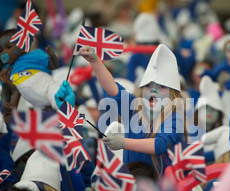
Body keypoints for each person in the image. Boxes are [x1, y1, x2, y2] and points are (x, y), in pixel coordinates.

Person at [79, 43, 187, 177]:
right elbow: (112, 88)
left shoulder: (175, 118)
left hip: (162, 190)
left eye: (162, 87)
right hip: (131, 184)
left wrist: (124, 142)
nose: (153, 91)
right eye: (148, 86)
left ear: (173, 95)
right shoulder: (133, 108)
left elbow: (160, 144)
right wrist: (95, 61)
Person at [0, 29, 72, 112]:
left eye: (8, 47)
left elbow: (54, 65)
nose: (4, 52)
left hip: (49, 87)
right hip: (37, 105)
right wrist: (4, 103)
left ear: (23, 47)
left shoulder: (35, 55)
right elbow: (5, 91)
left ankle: (63, 110)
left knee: (56, 96)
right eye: (1, 50)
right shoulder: (6, 72)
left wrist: (51, 55)